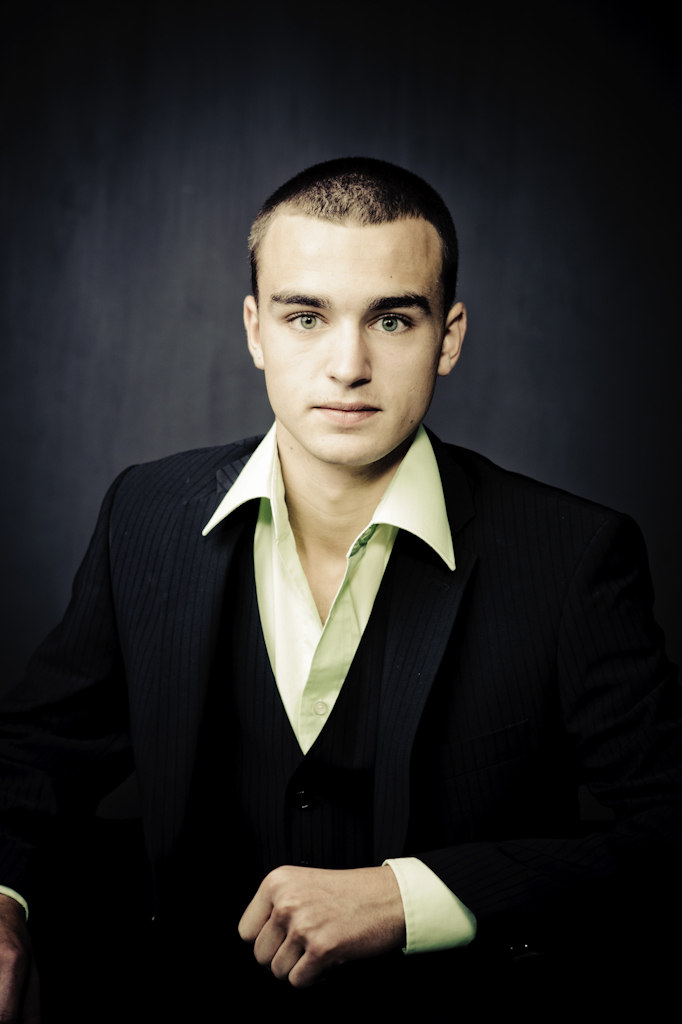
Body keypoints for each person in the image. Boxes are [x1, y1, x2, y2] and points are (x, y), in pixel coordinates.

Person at [0, 156, 680, 1021]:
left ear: (449, 337)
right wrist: (3, 900)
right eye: (305, 316)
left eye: (392, 319)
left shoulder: (574, 554)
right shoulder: (145, 513)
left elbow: (670, 825)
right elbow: (34, 758)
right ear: (255, 330)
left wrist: (415, 897)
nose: (348, 364)